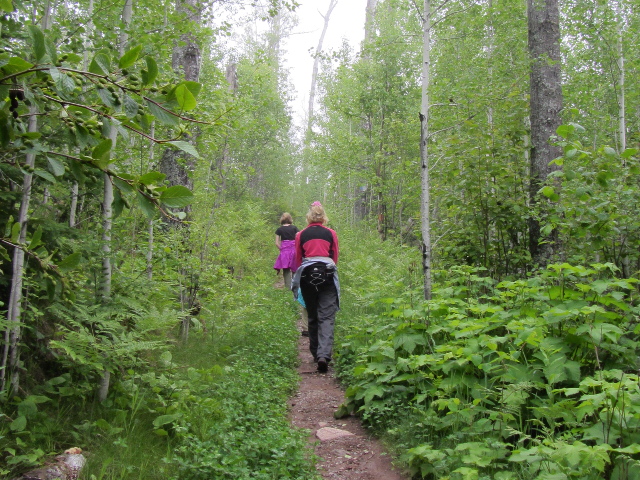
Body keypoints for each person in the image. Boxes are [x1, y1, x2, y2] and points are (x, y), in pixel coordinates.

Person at [291, 202, 340, 373]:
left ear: (309, 216)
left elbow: (298, 259)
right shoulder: (331, 233)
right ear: (323, 216)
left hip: (307, 278)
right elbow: (335, 256)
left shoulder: (301, 234)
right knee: (326, 316)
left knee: (312, 315)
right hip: (327, 277)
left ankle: (315, 352)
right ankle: (324, 355)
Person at [273, 212, 299, 289]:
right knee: (295, 268)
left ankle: (288, 287)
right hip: (294, 250)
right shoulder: (295, 228)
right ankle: (295, 287)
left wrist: (282, 250)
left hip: (284, 251)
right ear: (290, 219)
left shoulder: (279, 229)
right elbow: (299, 238)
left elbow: (277, 243)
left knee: (286, 269)